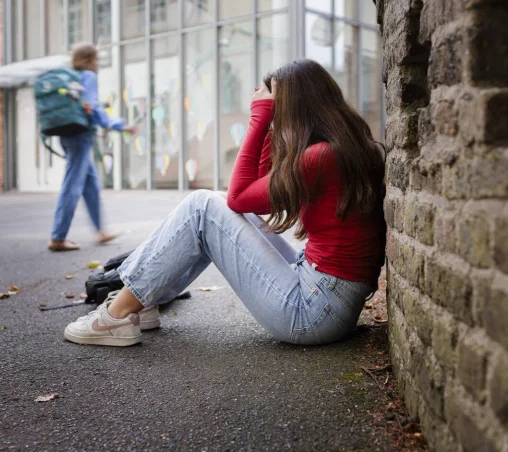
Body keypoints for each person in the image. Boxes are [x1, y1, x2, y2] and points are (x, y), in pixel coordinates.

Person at [64, 59, 386, 346]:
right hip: (327, 299)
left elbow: (240, 195)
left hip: (313, 311)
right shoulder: (344, 147)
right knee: (216, 204)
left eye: (277, 106)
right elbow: (253, 203)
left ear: (293, 108)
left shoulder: (320, 157)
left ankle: (117, 316)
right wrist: (271, 128)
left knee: (203, 207)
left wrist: (260, 120)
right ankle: (143, 301)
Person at [48, 43, 135, 252]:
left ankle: (100, 231)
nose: (97, 64)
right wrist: (117, 125)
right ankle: (58, 237)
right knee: (72, 185)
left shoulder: (72, 77)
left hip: (69, 134)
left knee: (91, 184)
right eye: (96, 60)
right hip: (79, 137)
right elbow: (92, 107)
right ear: (89, 60)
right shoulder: (87, 76)